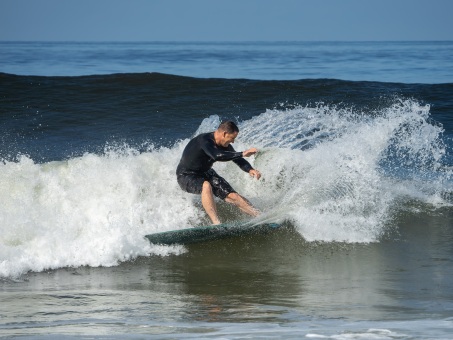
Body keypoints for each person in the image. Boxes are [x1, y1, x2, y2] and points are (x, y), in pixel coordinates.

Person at [176, 121, 261, 225]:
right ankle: (216, 223)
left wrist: (250, 169)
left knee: (234, 196)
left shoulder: (224, 145)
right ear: (224, 134)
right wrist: (243, 153)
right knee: (206, 186)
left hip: (206, 172)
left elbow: (236, 158)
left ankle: (259, 216)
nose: (233, 142)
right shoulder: (204, 140)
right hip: (186, 175)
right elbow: (216, 155)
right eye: (232, 138)